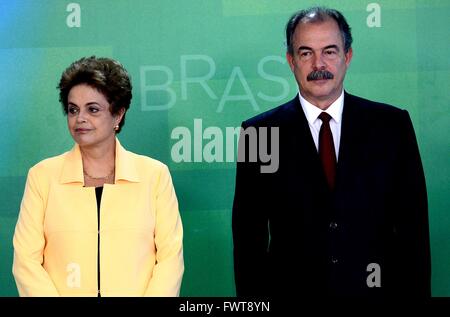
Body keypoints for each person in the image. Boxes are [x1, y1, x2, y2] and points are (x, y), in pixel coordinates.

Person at [232, 7, 430, 297]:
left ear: (347, 57)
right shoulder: (258, 133)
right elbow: (249, 242)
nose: (318, 64)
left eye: (329, 51)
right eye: (305, 53)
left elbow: (414, 233)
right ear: (290, 61)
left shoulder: (392, 126)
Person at [12, 56, 184, 296]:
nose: (80, 119)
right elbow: (26, 261)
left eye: (92, 109)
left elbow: (170, 260)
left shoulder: (154, 176)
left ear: (118, 115)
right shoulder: (42, 177)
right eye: (73, 110)